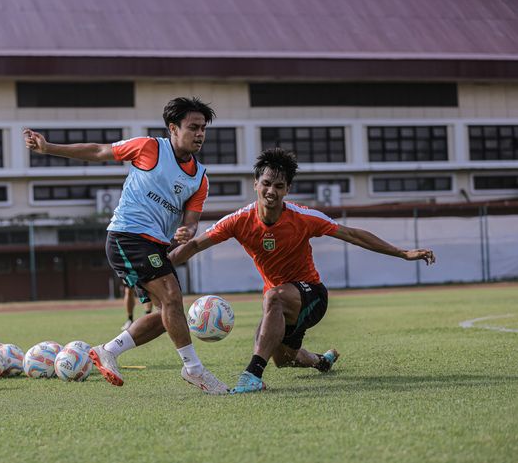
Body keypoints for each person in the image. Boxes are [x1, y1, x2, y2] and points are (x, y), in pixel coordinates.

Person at [169, 147, 436, 394]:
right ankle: (321, 361)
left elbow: (353, 234)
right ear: (255, 184)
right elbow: (193, 245)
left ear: (287, 189)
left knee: (272, 297)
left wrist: (403, 253)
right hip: (281, 303)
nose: (271, 191)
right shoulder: (238, 221)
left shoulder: (304, 217)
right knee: (283, 358)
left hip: (313, 296)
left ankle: (252, 375)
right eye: (266, 184)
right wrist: (158, 269)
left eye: (278, 185)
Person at [24, 97, 229, 394]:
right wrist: (48, 148)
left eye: (203, 129)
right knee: (172, 296)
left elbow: (192, 219)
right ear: (173, 128)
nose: (200, 134)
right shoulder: (149, 147)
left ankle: (108, 351)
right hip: (127, 236)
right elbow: (98, 151)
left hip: (155, 245)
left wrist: (188, 230)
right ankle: (194, 369)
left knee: (166, 316)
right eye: (193, 127)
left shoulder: (200, 177)